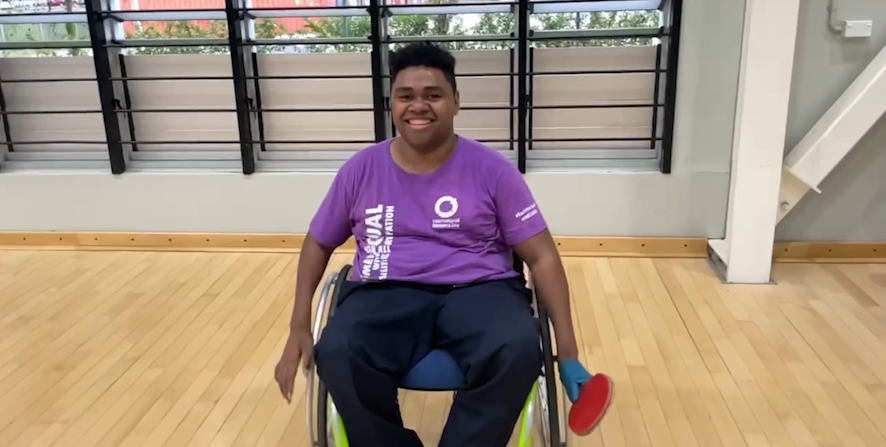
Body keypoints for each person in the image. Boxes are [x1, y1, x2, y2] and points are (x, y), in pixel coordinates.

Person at [274, 42, 611, 447]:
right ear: (392, 104)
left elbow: (541, 258)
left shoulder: (493, 171)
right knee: (339, 351)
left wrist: (569, 356)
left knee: (519, 347)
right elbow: (318, 242)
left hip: (481, 290)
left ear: (455, 102)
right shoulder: (361, 169)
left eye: (433, 95)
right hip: (385, 290)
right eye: (406, 96)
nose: (418, 106)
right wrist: (298, 324)